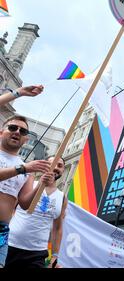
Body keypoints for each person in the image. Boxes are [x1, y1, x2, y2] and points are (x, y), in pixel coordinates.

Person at [0, 115, 52, 268]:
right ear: (1, 132)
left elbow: (24, 203)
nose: (17, 132)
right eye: (12, 128)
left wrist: (40, 184)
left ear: (26, 140)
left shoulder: (27, 170)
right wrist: (23, 168)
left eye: (23, 131)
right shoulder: (25, 168)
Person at [5, 156, 67, 268]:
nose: (56, 167)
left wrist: (54, 256)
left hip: (37, 254)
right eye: (52, 164)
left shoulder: (62, 197)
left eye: (60, 165)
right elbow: (9, 209)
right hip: (10, 245)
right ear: (44, 166)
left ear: (63, 170)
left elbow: (57, 229)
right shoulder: (29, 184)